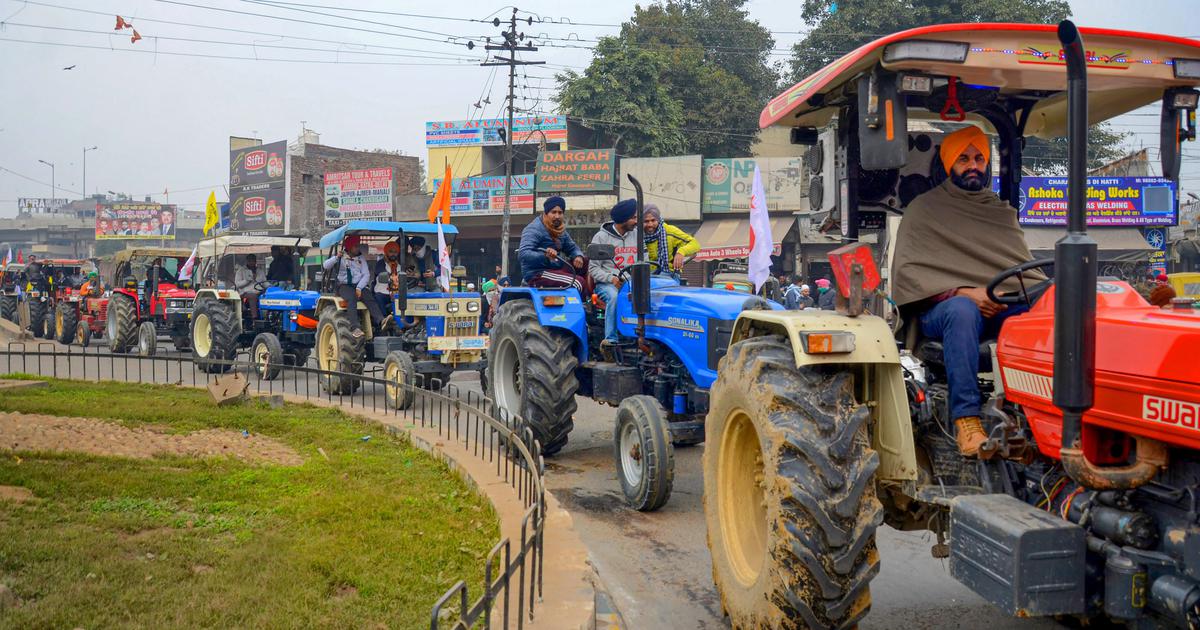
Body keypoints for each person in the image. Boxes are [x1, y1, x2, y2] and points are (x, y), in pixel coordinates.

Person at [891, 125, 1044, 458]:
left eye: (978, 158)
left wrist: (999, 296)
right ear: (948, 164)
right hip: (942, 312)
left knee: (1048, 307)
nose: (972, 165)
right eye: (963, 158)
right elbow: (911, 276)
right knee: (962, 310)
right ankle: (967, 421)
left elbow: (1022, 271)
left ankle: (1036, 410)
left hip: (998, 306)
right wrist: (964, 292)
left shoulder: (999, 211)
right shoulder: (923, 210)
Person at [589, 198, 640, 346]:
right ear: (623, 219)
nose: (636, 221)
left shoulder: (637, 235)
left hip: (631, 282)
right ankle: (611, 340)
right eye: (633, 217)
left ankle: (643, 338)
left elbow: (644, 262)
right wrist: (611, 278)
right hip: (607, 284)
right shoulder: (601, 237)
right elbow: (593, 269)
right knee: (614, 297)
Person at [322, 235, 387, 337]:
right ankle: (355, 328)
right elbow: (326, 265)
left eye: (358, 246)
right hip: (344, 286)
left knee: (369, 297)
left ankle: (381, 320)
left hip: (358, 285)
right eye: (355, 246)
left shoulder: (360, 258)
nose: (358, 248)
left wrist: (359, 288)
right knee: (351, 298)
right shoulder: (341, 257)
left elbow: (366, 274)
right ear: (349, 246)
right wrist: (336, 257)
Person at [519, 196, 585, 290]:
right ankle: (582, 304)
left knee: (587, 264)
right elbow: (523, 254)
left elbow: (572, 247)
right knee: (578, 283)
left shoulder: (560, 230)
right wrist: (545, 255)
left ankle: (597, 300)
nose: (557, 216)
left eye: (560, 212)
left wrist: (578, 256)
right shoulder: (534, 229)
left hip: (555, 267)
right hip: (538, 273)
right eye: (553, 212)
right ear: (546, 213)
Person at [642, 204, 699, 275]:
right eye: (646, 221)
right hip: (644, 276)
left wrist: (681, 252)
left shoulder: (669, 231)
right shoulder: (636, 235)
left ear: (658, 219)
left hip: (668, 275)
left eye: (653, 220)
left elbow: (694, 244)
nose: (650, 224)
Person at [373, 240, 403, 314]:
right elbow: (381, 273)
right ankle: (384, 320)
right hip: (383, 292)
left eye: (395, 252)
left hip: (397, 293)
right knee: (378, 297)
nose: (393, 254)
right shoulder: (381, 263)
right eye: (391, 251)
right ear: (386, 252)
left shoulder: (400, 266)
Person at [235, 253, 267, 319]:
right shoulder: (241, 271)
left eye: (253, 261)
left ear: (255, 261)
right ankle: (254, 318)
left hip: (259, 291)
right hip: (245, 292)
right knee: (253, 296)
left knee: (268, 295)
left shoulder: (260, 271)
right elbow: (237, 284)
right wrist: (247, 281)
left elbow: (264, 282)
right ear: (247, 261)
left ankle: (266, 317)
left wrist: (271, 286)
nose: (252, 262)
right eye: (250, 261)